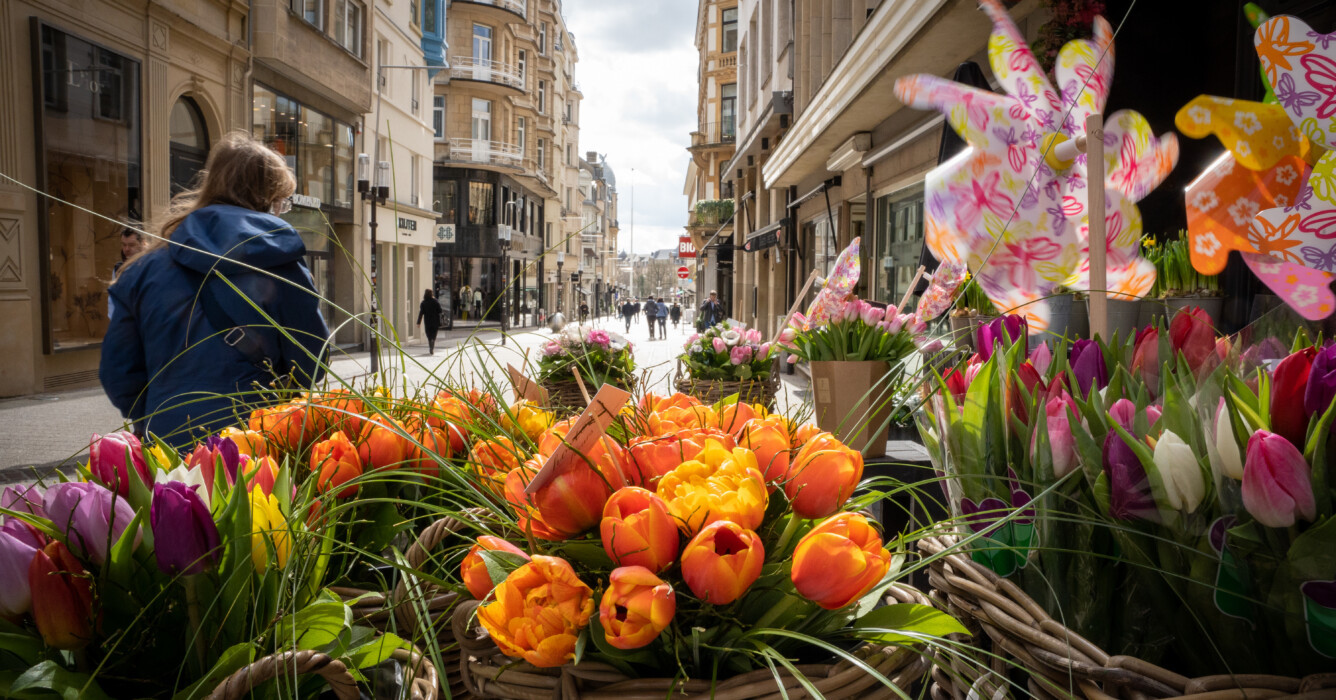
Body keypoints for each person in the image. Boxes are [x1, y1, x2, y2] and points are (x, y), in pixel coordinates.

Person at [100, 132, 330, 449]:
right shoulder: (280, 263)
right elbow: (311, 361)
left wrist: (155, 414)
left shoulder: (143, 270)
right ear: (268, 199)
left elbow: (118, 372)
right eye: (282, 202)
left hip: (168, 442)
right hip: (258, 439)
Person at [108, 227, 146, 320]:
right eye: (124, 245)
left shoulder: (151, 266)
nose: (126, 249)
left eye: (131, 245)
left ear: (142, 244)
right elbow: (112, 302)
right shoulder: (118, 270)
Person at [416, 288, 442, 355]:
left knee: (429, 335)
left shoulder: (423, 303)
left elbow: (421, 313)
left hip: (427, 321)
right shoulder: (435, 301)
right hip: (435, 321)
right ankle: (432, 346)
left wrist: (418, 322)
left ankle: (430, 344)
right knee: (434, 334)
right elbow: (440, 310)